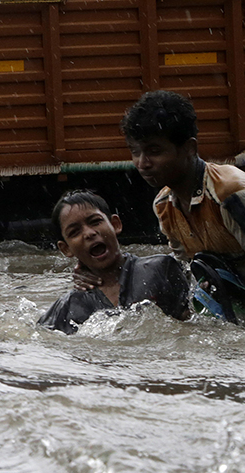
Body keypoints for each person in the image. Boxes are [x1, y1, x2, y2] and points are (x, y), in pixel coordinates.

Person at [118, 90, 245, 322]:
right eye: (135, 152)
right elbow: (186, 274)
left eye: (154, 151)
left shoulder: (230, 194)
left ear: (189, 148)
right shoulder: (164, 206)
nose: (142, 163)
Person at [39, 190, 191, 334]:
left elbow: (195, 320)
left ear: (115, 224)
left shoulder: (159, 270)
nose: (89, 233)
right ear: (66, 248)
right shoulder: (69, 306)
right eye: (75, 232)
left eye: (95, 222)